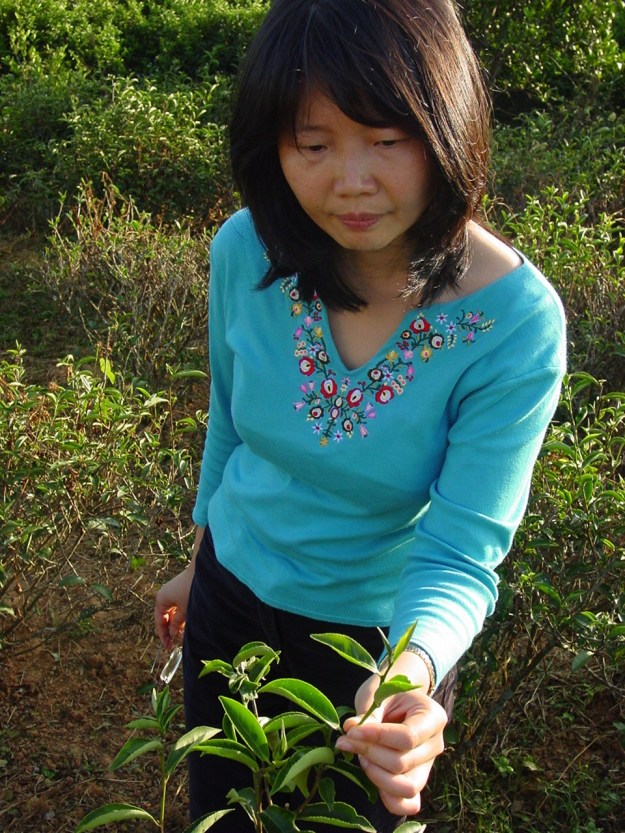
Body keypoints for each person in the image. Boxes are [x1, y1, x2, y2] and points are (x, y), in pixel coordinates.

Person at [154, 0, 567, 829]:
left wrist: (407, 674)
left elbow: (459, 549)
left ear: (449, 128)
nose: (350, 180)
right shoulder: (247, 250)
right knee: (222, 812)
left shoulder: (514, 322)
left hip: (372, 646)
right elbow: (230, 422)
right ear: (272, 147)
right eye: (312, 144)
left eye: (387, 139)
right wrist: (201, 556)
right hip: (228, 604)